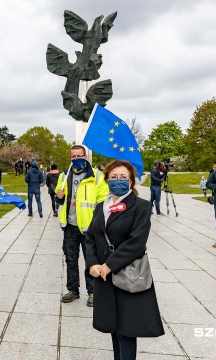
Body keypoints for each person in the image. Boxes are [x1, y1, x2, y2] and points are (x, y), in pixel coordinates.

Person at [86, 159, 164, 360]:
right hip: (104, 276)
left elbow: (136, 243)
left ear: (131, 181)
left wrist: (108, 265)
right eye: (113, 177)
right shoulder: (101, 206)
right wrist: (93, 263)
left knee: (127, 331)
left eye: (123, 177)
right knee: (113, 326)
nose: (118, 181)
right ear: (107, 180)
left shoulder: (141, 206)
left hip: (127, 275)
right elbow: (91, 237)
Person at [56, 145, 109, 306]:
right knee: (71, 260)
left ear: (86, 157)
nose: (76, 159)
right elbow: (59, 199)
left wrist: (98, 224)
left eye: (79, 156)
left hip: (90, 228)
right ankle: (73, 290)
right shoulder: (64, 175)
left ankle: (93, 292)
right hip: (70, 227)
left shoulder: (98, 176)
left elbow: (103, 201)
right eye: (73, 156)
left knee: (91, 260)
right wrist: (59, 196)